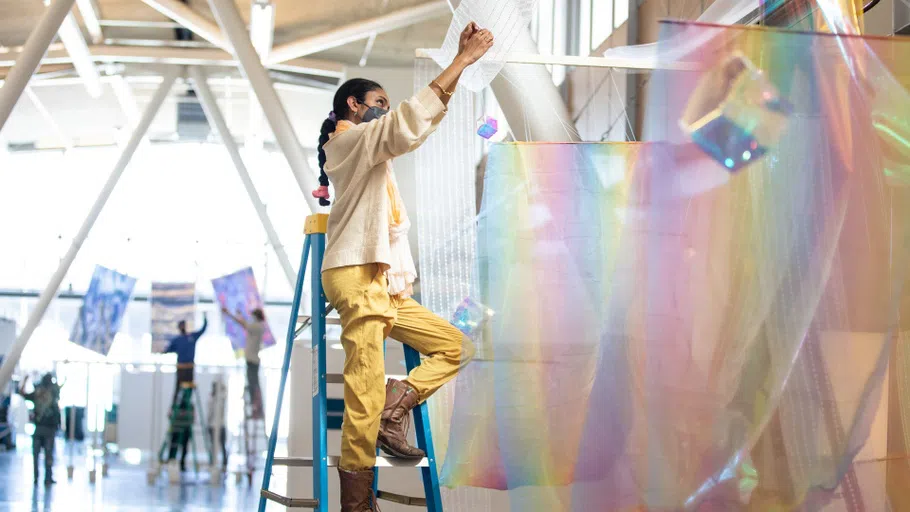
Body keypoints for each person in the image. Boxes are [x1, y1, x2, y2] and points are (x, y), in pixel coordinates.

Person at [315, 22, 492, 511]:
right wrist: (460, 62)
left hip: (383, 280)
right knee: (363, 387)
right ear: (354, 104)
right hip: (355, 272)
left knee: (457, 345)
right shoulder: (347, 144)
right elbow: (404, 127)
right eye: (379, 101)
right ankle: (356, 503)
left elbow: (413, 126)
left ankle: (398, 405)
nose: (385, 109)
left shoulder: (372, 148)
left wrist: (458, 69)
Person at [18, 373, 63, 486]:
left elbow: (22, 393)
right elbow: (62, 385)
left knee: (37, 455)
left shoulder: (38, 392)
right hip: (48, 429)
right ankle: (47, 478)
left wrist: (25, 380)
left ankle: (37, 477)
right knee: (48, 455)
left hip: (39, 428)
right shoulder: (53, 391)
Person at [221, 307, 266, 418]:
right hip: (252, 359)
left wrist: (229, 313)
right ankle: (255, 407)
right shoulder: (258, 326)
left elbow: (243, 323)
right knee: (253, 384)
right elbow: (244, 322)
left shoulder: (257, 326)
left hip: (252, 360)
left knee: (253, 385)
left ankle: (255, 408)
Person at [164, 314, 208, 406]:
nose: (183, 327)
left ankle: (186, 406)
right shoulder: (177, 340)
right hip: (181, 369)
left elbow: (203, 329)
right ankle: (174, 407)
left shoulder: (192, 337)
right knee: (178, 388)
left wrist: (205, 318)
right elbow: (167, 350)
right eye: (181, 326)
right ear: (179, 328)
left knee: (189, 389)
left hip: (190, 368)